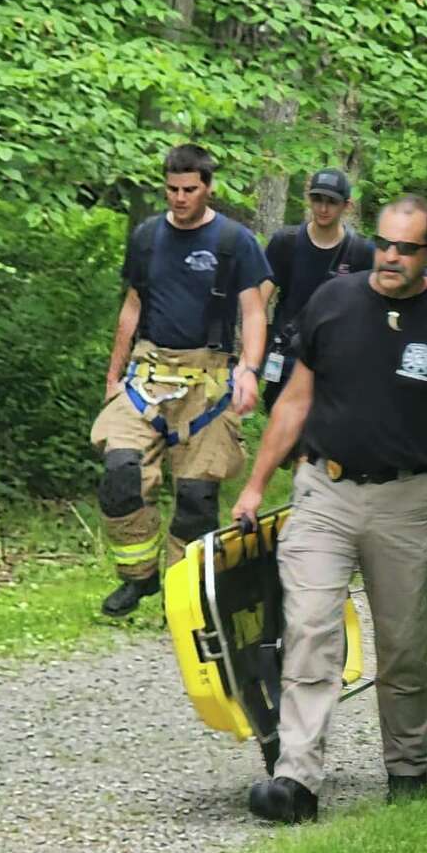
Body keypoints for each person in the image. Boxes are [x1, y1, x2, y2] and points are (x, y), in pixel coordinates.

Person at [232, 194, 427, 822]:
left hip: (406, 501)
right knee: (309, 629)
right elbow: (295, 401)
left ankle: (408, 769)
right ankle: (296, 780)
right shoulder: (333, 301)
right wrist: (255, 484)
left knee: (406, 646)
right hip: (324, 491)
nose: (390, 257)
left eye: (406, 248)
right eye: (384, 243)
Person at [90, 143, 269, 618]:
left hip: (207, 378)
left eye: (189, 189)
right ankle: (139, 576)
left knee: (196, 500)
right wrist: (113, 376)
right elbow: (132, 307)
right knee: (120, 471)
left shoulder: (234, 241)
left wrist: (249, 370)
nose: (179, 198)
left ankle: (183, 595)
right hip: (147, 373)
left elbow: (254, 312)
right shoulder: (147, 237)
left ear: (207, 187)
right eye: (172, 189)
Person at [259, 168, 372, 411]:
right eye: (317, 199)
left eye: (331, 201)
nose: (323, 208)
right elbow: (259, 301)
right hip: (287, 355)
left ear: (347, 206)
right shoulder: (286, 242)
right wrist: (253, 357)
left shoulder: (361, 253)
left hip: (334, 362)